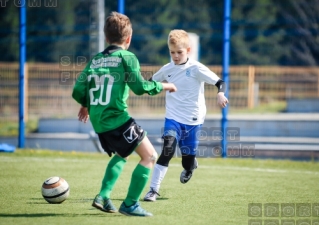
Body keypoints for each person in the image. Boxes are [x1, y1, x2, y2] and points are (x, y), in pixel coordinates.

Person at [72, 12, 177, 217]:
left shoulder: (96, 60)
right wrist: (165, 85)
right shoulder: (127, 57)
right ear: (128, 38)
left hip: (99, 122)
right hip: (117, 119)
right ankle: (129, 204)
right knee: (149, 156)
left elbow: (77, 90)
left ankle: (103, 196)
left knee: (123, 153)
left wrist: (85, 104)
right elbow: (139, 87)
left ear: (106, 37)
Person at [143, 29, 229, 202]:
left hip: (193, 120)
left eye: (179, 52)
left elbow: (220, 82)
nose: (175, 56)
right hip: (173, 118)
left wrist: (220, 94)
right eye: (172, 52)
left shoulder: (196, 68)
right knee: (167, 149)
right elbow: (149, 83)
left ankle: (190, 166)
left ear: (188, 50)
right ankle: (153, 190)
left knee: (186, 161)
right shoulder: (167, 69)